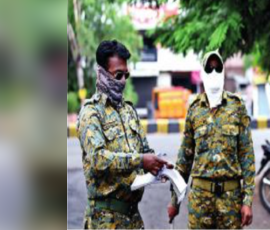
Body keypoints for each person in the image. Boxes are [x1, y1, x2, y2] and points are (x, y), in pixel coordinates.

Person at [77, 40, 172, 229]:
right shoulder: (91, 113)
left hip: (132, 217)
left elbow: (145, 150)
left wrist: (158, 166)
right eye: (117, 75)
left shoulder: (128, 111)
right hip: (105, 219)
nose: (122, 81)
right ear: (102, 74)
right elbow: (98, 158)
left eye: (126, 75)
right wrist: (140, 160)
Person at [167, 50, 255, 229]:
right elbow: (184, 158)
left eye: (217, 68)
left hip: (230, 200)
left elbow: (247, 157)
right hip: (200, 200)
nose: (214, 73)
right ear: (203, 72)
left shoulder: (237, 107)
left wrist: (247, 201)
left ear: (223, 71)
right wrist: (174, 201)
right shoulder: (194, 109)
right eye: (209, 69)